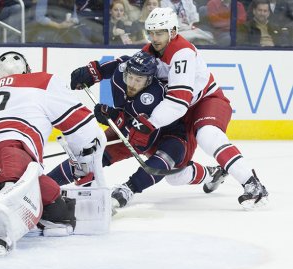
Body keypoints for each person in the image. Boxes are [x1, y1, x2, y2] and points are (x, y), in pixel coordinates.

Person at [0, 51, 107, 256]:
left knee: (60, 215)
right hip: (11, 152)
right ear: (28, 70)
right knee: (8, 209)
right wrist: (85, 155)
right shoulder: (43, 81)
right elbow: (82, 126)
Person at [49, 51, 227, 209]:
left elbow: (139, 141)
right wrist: (90, 72)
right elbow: (112, 65)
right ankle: (47, 183)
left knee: (165, 166)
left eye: (139, 80)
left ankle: (129, 189)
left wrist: (111, 116)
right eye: (130, 77)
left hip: (167, 134)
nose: (132, 84)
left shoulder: (154, 95)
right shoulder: (122, 70)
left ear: (149, 80)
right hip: (130, 128)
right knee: (90, 154)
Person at [138, 7, 268, 209]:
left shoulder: (182, 52)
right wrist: (97, 72)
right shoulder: (148, 52)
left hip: (207, 101)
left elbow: (177, 102)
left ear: (173, 32)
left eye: (160, 32)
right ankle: (213, 173)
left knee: (207, 135)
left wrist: (149, 123)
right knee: (175, 174)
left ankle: (253, 185)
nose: (154, 38)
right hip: (181, 111)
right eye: (151, 32)